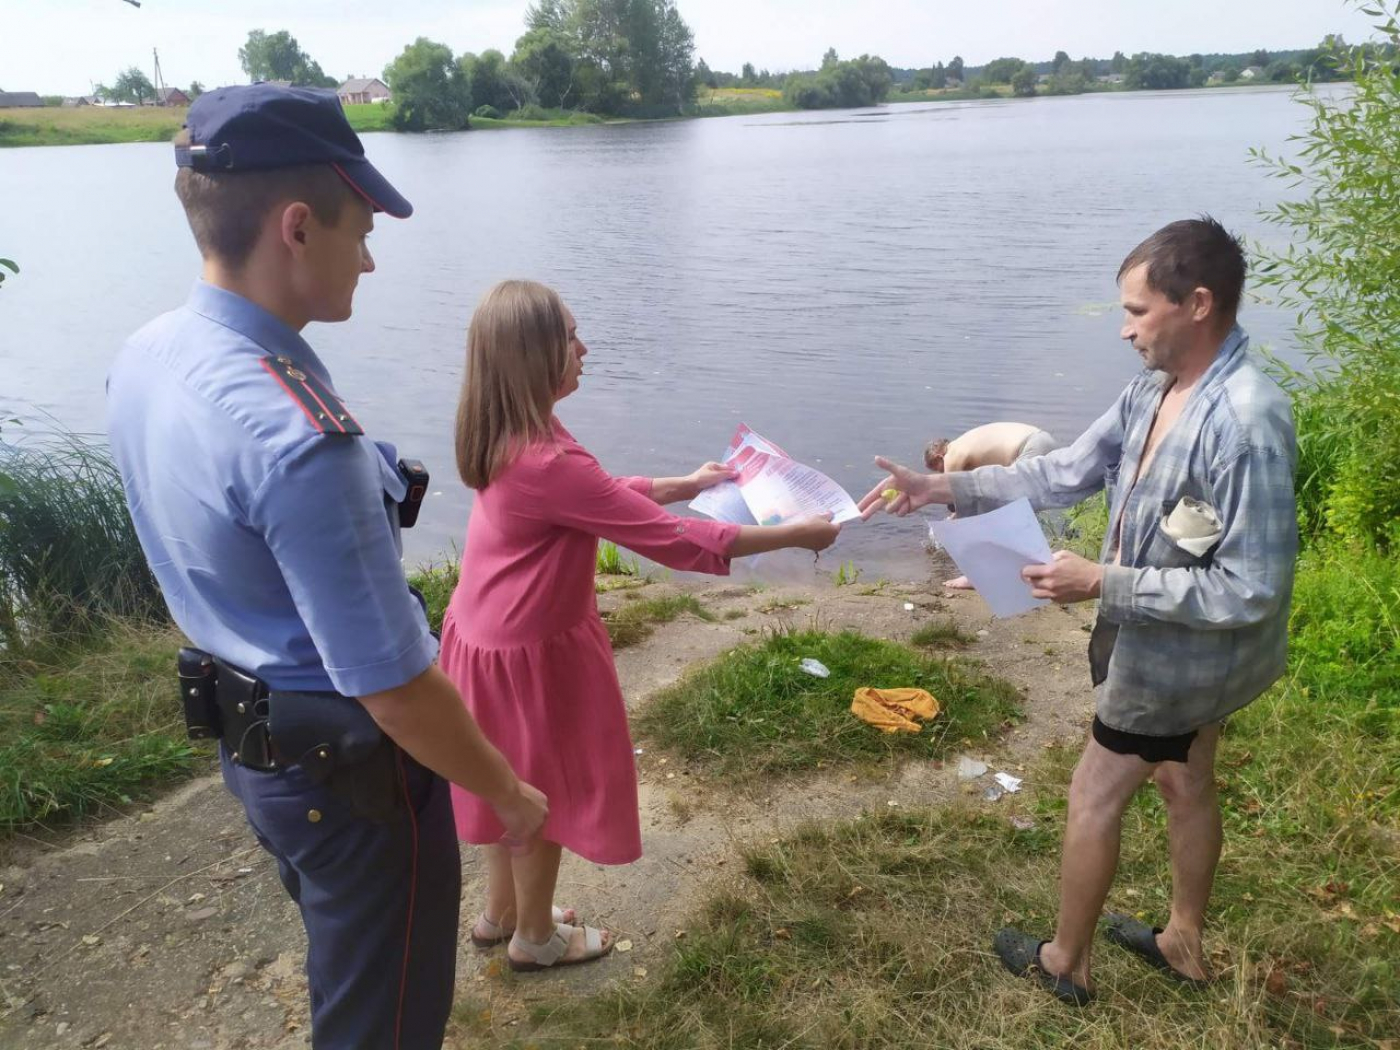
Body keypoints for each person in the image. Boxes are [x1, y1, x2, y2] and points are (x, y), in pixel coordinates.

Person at [106, 85, 547, 1048]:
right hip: (352, 780)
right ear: (297, 227)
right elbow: (393, 686)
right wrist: (508, 796)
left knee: (349, 975)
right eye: (362, 229)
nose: (373, 256)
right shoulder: (303, 442)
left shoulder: (151, 355)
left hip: (255, 751)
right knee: (383, 1022)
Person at [861, 217, 1297, 1006]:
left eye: (1137, 312)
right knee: (1187, 780)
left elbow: (1253, 588)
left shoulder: (1246, 421)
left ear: (1197, 304)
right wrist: (941, 488)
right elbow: (1063, 472)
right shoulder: (1155, 389)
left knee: (1095, 791)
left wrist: (1105, 582)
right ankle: (1183, 944)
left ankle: (1065, 962)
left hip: (1174, 662)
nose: (1126, 330)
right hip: (1188, 656)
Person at [444, 279, 842, 971]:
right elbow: (673, 541)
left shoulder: (508, 435)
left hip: (481, 641)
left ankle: (500, 911)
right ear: (536, 354)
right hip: (533, 654)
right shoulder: (549, 458)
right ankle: (535, 938)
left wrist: (683, 484)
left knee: (502, 776)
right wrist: (794, 535)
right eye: (570, 335)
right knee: (543, 791)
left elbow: (595, 496)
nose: (584, 347)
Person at [923, 422, 1060, 589]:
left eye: (938, 469)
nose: (940, 473)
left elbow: (960, 503)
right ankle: (1034, 568)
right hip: (1043, 440)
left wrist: (949, 526)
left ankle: (977, 575)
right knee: (1018, 512)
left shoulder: (952, 456)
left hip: (1030, 447)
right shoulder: (965, 444)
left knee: (1002, 514)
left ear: (939, 457)